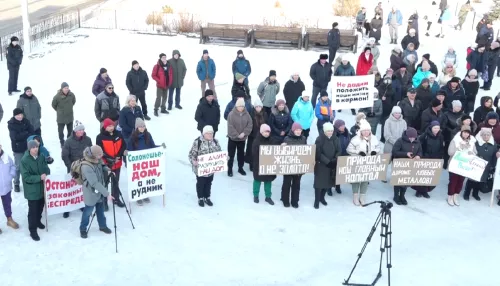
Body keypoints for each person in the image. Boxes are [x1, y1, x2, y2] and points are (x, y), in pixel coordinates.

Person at [79, 145, 113, 239]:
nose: (101, 157)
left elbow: (102, 166)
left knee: (100, 211)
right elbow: (94, 183)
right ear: (93, 155)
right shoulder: (86, 166)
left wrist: (108, 170)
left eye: (101, 154)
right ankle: (82, 228)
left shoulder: (97, 159)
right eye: (99, 155)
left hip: (99, 191)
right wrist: (107, 194)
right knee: (87, 212)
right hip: (91, 193)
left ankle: (103, 226)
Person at [61, 121, 92, 218]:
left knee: (83, 187)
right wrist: (71, 168)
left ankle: (81, 204)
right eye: (79, 130)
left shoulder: (88, 140)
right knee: (71, 189)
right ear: (75, 131)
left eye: (82, 129)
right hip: (73, 168)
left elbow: (90, 152)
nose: (81, 131)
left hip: (84, 167)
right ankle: (67, 208)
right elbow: (65, 155)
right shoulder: (69, 141)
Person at [21, 140, 50, 241]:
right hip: (32, 191)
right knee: (33, 211)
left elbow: (45, 167)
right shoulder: (24, 160)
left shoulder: (41, 156)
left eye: (36, 147)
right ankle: (32, 230)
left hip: (42, 188)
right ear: (29, 148)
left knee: (40, 207)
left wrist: (47, 172)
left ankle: (38, 221)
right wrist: (39, 177)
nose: (35, 149)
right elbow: (26, 177)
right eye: (33, 147)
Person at [347, 119, 381, 206]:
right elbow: (349, 149)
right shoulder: (355, 139)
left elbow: (378, 147)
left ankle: (362, 196)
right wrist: (358, 152)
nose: (366, 132)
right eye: (364, 130)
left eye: (368, 130)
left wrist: (375, 151)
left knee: (365, 179)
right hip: (358, 162)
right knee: (356, 179)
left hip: (368, 162)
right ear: (361, 131)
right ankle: (355, 196)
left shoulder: (373, 138)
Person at [96, 118, 126, 209]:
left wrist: (119, 156)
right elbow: (100, 151)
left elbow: (123, 145)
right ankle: (104, 201)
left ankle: (116, 198)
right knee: (105, 183)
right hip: (106, 165)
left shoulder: (119, 134)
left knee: (116, 182)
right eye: (109, 126)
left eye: (112, 125)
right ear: (105, 127)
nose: (111, 127)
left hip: (117, 163)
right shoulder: (100, 137)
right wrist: (111, 159)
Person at [188, 125, 222, 207]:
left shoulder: (215, 142)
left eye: (212, 133)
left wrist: (224, 158)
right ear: (204, 134)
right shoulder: (198, 142)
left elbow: (219, 153)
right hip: (200, 170)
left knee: (209, 183)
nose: (210, 135)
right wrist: (194, 161)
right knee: (201, 184)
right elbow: (191, 155)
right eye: (208, 133)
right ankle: (200, 197)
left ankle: (207, 197)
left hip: (211, 170)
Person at [464, 128, 499, 201]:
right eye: (484, 135)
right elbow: (472, 151)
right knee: (472, 180)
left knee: (480, 180)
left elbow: (494, 155)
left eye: (488, 135)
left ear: (490, 136)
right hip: (476, 164)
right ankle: (467, 193)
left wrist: (493, 165)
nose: (486, 136)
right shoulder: (476, 142)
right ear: (481, 135)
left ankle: (475, 193)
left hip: (486, 165)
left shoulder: (494, 144)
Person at [391, 128, 422, 205]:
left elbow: (420, 151)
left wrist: (418, 155)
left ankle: (402, 195)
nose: (412, 139)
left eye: (413, 138)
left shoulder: (418, 142)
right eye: (410, 137)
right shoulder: (400, 141)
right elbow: (395, 151)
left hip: (410, 164)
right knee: (398, 180)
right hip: (400, 163)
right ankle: (396, 196)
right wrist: (405, 153)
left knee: (406, 180)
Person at [413, 121, 444, 197]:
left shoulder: (440, 136)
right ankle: (419, 190)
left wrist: (440, 157)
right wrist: (421, 156)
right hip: (425, 158)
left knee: (430, 176)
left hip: (435, 158)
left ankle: (425, 191)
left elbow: (441, 147)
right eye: (435, 128)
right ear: (431, 127)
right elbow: (419, 146)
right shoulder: (425, 135)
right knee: (422, 175)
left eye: (438, 128)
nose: (436, 129)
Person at [448, 125, 476, 206]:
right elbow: (450, 152)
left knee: (460, 181)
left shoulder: (471, 142)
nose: (466, 134)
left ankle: (456, 196)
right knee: (453, 181)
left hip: (464, 166)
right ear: (461, 132)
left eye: (468, 133)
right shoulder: (455, 140)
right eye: (465, 132)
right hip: (455, 164)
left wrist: (471, 153)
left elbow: (475, 152)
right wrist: (459, 150)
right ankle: (450, 196)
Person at [313, 122, 340, 209]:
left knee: (327, 183)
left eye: (331, 130)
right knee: (319, 184)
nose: (330, 132)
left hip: (332, 164)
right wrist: (327, 161)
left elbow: (339, 150)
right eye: (328, 131)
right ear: (324, 131)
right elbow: (318, 152)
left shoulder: (335, 138)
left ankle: (322, 198)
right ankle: (316, 200)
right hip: (321, 165)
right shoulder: (319, 139)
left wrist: (334, 160)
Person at [8, 108, 34, 193]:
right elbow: (15, 137)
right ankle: (16, 183)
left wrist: (24, 134)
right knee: (18, 167)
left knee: (28, 165)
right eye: (18, 115)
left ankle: (28, 181)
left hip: (27, 147)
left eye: (21, 114)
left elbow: (32, 131)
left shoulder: (26, 121)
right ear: (14, 115)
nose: (20, 116)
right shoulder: (11, 124)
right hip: (17, 148)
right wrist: (26, 133)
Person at [281, 123, 306, 208]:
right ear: (293, 130)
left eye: (300, 130)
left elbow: (306, 151)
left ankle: (295, 201)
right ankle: (285, 200)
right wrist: (282, 146)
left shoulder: (303, 139)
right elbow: (281, 152)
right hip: (288, 166)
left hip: (298, 166)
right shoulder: (287, 139)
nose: (298, 132)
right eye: (297, 130)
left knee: (296, 185)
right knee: (286, 184)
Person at [227, 98, 253, 177]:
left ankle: (240, 168)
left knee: (241, 154)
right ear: (236, 106)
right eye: (239, 106)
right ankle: (230, 169)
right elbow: (230, 126)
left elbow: (250, 125)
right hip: (233, 139)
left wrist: (244, 133)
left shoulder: (247, 114)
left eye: (242, 106)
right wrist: (237, 134)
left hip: (242, 139)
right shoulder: (231, 114)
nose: (241, 108)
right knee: (231, 155)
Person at [252, 124, 277, 205]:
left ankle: (268, 196)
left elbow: (276, 150)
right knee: (257, 181)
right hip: (259, 164)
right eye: (265, 132)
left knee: (268, 181)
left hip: (269, 165)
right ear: (261, 132)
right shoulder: (256, 141)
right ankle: (256, 195)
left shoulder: (272, 140)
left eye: (268, 132)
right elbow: (254, 153)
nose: (267, 134)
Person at [0, 142, 18, 234]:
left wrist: (11, 175)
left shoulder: (6, 156)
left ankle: (9, 219)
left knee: (7, 203)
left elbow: (13, 166)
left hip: (6, 186)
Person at [51, 82, 76, 147]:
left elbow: (73, 101)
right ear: (62, 88)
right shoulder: (57, 97)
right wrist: (59, 111)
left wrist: (69, 108)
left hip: (69, 116)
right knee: (61, 132)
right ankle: (62, 142)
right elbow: (53, 105)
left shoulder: (71, 95)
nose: (66, 89)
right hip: (61, 118)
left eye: (67, 88)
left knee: (70, 131)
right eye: (65, 88)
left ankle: (69, 141)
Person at [246, 99, 268, 172]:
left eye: (259, 106)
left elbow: (267, 124)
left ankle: (260, 164)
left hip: (262, 135)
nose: (258, 108)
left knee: (260, 151)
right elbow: (248, 124)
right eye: (256, 106)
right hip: (252, 135)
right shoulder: (251, 114)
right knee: (252, 150)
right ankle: (251, 164)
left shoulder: (265, 114)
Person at [442, 101, 464, 168]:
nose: (458, 108)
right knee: (447, 149)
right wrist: (452, 131)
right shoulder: (446, 114)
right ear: (453, 107)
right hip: (449, 135)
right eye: (457, 106)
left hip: (460, 135)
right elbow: (444, 125)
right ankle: (445, 163)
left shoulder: (463, 115)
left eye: (460, 106)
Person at [333, 119, 350, 194]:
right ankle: (329, 187)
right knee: (332, 172)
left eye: (343, 125)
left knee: (339, 173)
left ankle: (338, 186)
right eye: (341, 126)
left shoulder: (347, 133)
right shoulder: (333, 134)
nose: (343, 127)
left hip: (344, 155)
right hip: (335, 156)